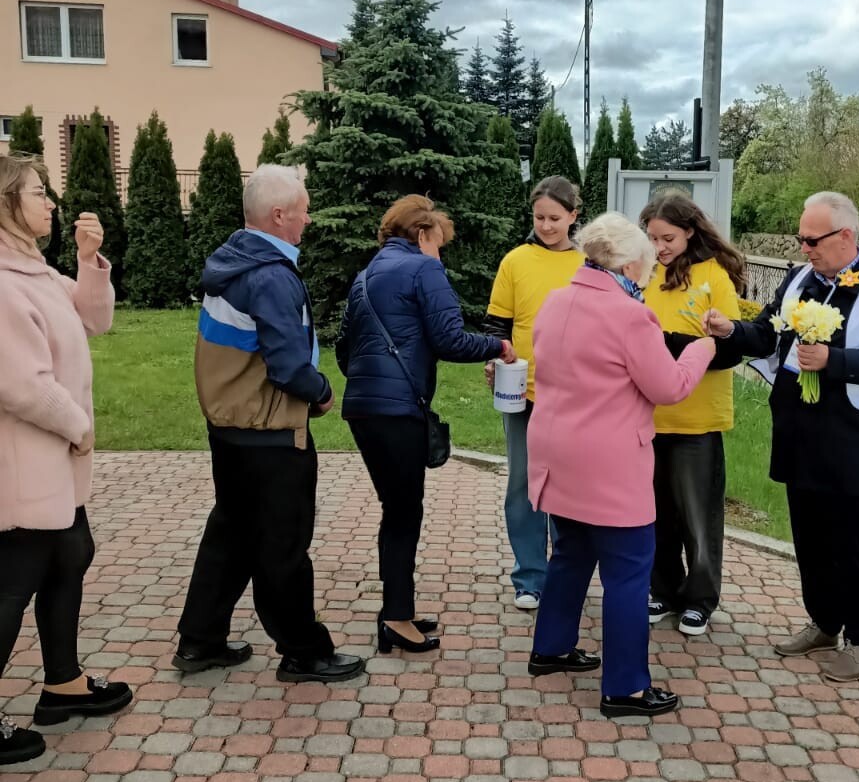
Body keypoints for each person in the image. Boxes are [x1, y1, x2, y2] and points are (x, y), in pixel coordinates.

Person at [704, 191, 859, 681]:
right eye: (801, 238)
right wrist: (730, 330)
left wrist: (833, 361)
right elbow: (767, 333)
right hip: (799, 429)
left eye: (811, 240)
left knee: (850, 541)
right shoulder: (799, 279)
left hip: (851, 436)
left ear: (845, 236)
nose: (804, 248)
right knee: (809, 536)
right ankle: (824, 622)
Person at [174, 165, 364, 684]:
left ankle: (200, 640)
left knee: (231, 534)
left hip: (229, 428)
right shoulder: (272, 275)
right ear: (279, 215)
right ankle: (304, 652)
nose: (308, 219)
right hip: (271, 433)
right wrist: (321, 392)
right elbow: (287, 366)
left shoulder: (232, 260)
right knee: (283, 546)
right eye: (303, 210)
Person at [526, 212, 716, 717]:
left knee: (570, 553)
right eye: (649, 266)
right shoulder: (631, 316)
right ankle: (626, 687)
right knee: (629, 572)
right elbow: (669, 387)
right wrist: (701, 350)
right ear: (630, 265)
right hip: (609, 462)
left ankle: (551, 648)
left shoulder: (556, 300)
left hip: (556, 451)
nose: (651, 274)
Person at [339, 195, 515, 654]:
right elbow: (450, 339)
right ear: (422, 234)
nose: (441, 253)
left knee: (396, 510)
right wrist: (499, 347)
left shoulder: (365, 275)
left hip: (362, 408)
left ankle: (397, 608)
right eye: (439, 242)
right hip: (398, 411)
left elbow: (343, 347)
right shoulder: (423, 268)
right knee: (403, 514)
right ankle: (396, 619)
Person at [0, 154, 132, 764]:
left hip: (53, 464)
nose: (50, 202)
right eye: (38, 193)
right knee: (12, 584)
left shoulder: (34, 270)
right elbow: (21, 384)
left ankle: (63, 683)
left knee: (71, 554)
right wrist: (78, 426)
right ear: (6, 204)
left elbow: (95, 319)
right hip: (23, 466)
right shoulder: (3, 282)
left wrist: (87, 260)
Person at [640, 189, 745, 639]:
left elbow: (728, 348)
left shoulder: (713, 275)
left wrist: (668, 344)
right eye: (652, 239)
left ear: (689, 231)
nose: (659, 247)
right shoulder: (646, 273)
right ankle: (662, 589)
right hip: (648, 417)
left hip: (697, 419)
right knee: (655, 514)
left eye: (667, 238)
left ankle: (700, 599)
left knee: (698, 518)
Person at [484, 176, 583, 611]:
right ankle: (529, 576)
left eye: (555, 218)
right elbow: (497, 325)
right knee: (524, 481)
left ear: (573, 216)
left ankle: (565, 572)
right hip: (523, 392)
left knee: (568, 485)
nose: (545, 226)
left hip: (576, 396)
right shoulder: (515, 261)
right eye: (539, 217)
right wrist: (495, 358)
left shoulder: (588, 263)